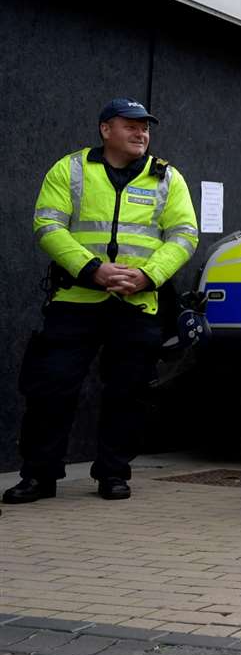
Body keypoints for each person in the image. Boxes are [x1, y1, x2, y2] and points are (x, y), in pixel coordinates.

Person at [6, 98, 198, 505]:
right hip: (76, 298)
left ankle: (113, 473)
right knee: (50, 388)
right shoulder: (71, 168)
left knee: (127, 393)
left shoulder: (167, 177)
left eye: (145, 127)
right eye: (130, 125)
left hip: (138, 303)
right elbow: (47, 224)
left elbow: (184, 236)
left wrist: (149, 275)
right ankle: (39, 476)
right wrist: (91, 268)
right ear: (105, 129)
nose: (141, 133)